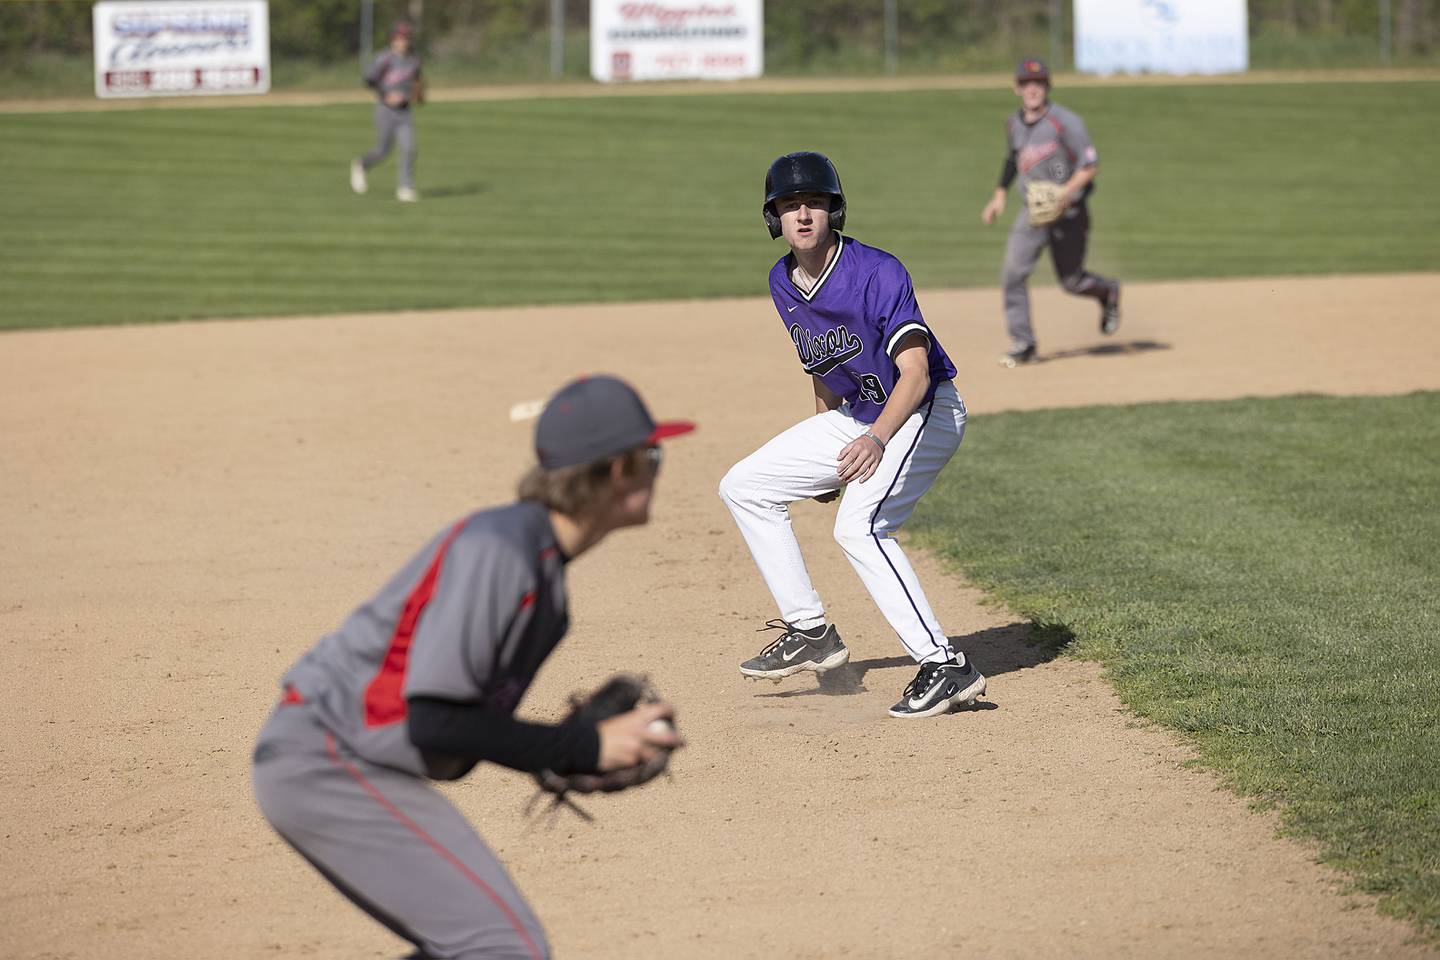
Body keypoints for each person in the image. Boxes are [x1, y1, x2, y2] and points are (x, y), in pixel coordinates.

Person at [252, 376, 692, 960]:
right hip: (326, 757)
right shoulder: (502, 551)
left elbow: (453, 730)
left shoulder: (541, 574)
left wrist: (563, 748)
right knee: (500, 946)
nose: (659, 469)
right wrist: (579, 746)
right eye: (653, 455)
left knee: (479, 945)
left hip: (345, 759)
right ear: (615, 470)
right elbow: (435, 723)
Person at [718, 151, 986, 720]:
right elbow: (823, 369)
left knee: (860, 527)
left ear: (833, 210)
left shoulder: (878, 272)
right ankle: (811, 632)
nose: (803, 214)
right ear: (774, 220)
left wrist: (876, 441)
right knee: (744, 485)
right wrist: (821, 449)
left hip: (922, 412)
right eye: (789, 206)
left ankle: (946, 666)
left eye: (814, 202)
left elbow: (914, 374)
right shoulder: (782, 281)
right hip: (859, 414)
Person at [980, 58, 1121, 367]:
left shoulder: (1065, 122)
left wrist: (1064, 193)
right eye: (1027, 83)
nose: (1033, 89)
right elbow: (1012, 158)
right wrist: (999, 195)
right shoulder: (1014, 123)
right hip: (1033, 213)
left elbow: (1090, 165)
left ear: (1047, 87)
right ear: (1017, 88)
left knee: (1071, 281)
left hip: (1069, 213)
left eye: (1039, 83)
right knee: (1013, 274)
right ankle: (1024, 342)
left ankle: (1107, 292)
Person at [351, 22, 424, 203]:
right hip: (385, 109)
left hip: (405, 111)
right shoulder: (384, 58)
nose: (403, 41)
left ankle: (405, 187)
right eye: (400, 38)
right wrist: (385, 95)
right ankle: (361, 164)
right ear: (393, 39)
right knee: (383, 151)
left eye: (406, 38)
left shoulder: (414, 59)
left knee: (409, 148)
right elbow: (368, 80)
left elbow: (417, 81)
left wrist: (419, 95)